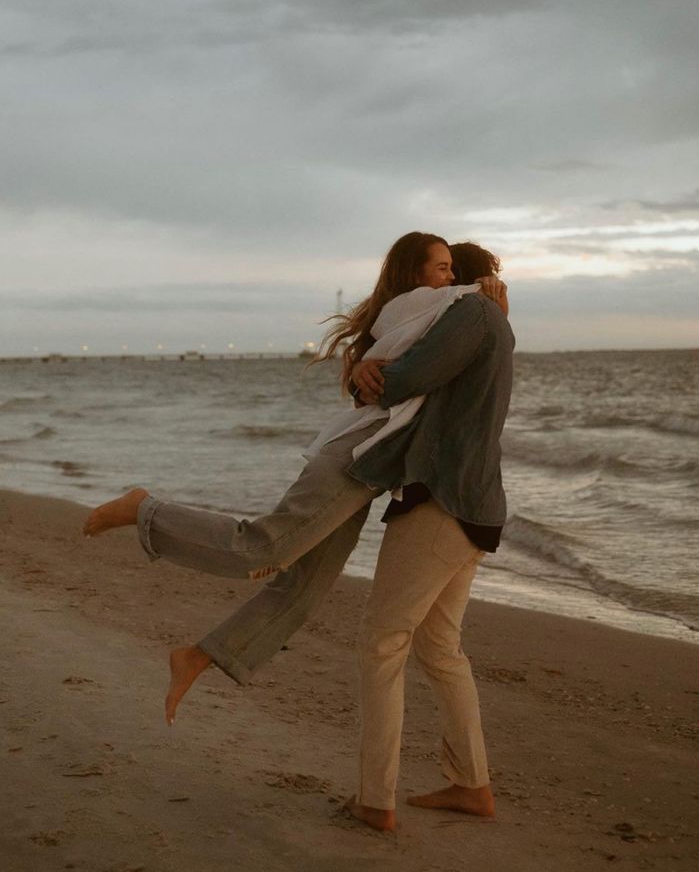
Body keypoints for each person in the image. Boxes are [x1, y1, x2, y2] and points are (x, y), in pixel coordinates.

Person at [82, 233, 507, 726]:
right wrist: (484, 293)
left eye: (456, 272)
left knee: (307, 583)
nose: (450, 279)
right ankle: (144, 509)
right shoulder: (438, 311)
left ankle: (199, 656)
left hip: (372, 464)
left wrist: (366, 372)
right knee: (264, 547)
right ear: (418, 274)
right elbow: (398, 381)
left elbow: (432, 375)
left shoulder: (433, 316)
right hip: (355, 456)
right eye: (443, 269)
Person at [344, 241, 514, 832]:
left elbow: (401, 383)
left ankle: (375, 799)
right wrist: (362, 371)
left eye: (446, 272)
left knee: (381, 641)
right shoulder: (487, 318)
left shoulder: (470, 314)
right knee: (440, 648)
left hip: (443, 500)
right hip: (476, 503)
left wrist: (368, 376)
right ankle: (472, 786)